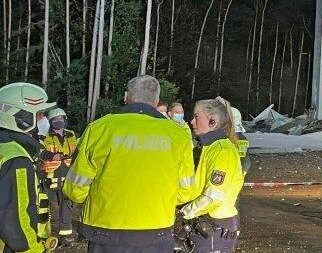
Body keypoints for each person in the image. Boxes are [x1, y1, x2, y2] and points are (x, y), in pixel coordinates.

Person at [63, 75, 196, 253]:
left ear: (126, 96)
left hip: (106, 231)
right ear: (157, 101)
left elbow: (75, 189)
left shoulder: (99, 128)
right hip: (157, 231)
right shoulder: (179, 135)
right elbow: (186, 191)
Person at [181, 97, 244, 253]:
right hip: (206, 222)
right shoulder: (211, 147)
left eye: (196, 117)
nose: (192, 122)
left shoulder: (222, 151)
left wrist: (185, 212)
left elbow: (213, 197)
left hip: (215, 225)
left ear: (213, 121)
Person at [0, 82, 58, 253]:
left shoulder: (6, 147)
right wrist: (35, 249)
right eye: (39, 114)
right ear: (22, 118)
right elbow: (17, 220)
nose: (44, 119)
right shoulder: (16, 159)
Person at [40, 107, 78, 243]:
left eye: (60, 119)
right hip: (49, 178)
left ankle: (65, 236)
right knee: (43, 206)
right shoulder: (44, 136)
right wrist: (51, 155)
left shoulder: (71, 135)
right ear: (50, 122)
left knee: (66, 205)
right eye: (55, 120)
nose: (58, 122)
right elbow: (39, 152)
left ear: (65, 120)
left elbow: (77, 150)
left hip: (67, 176)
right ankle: (42, 234)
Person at [228, 107, 250, 176]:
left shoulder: (222, 139)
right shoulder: (243, 139)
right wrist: (242, 175)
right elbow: (246, 162)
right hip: (237, 177)